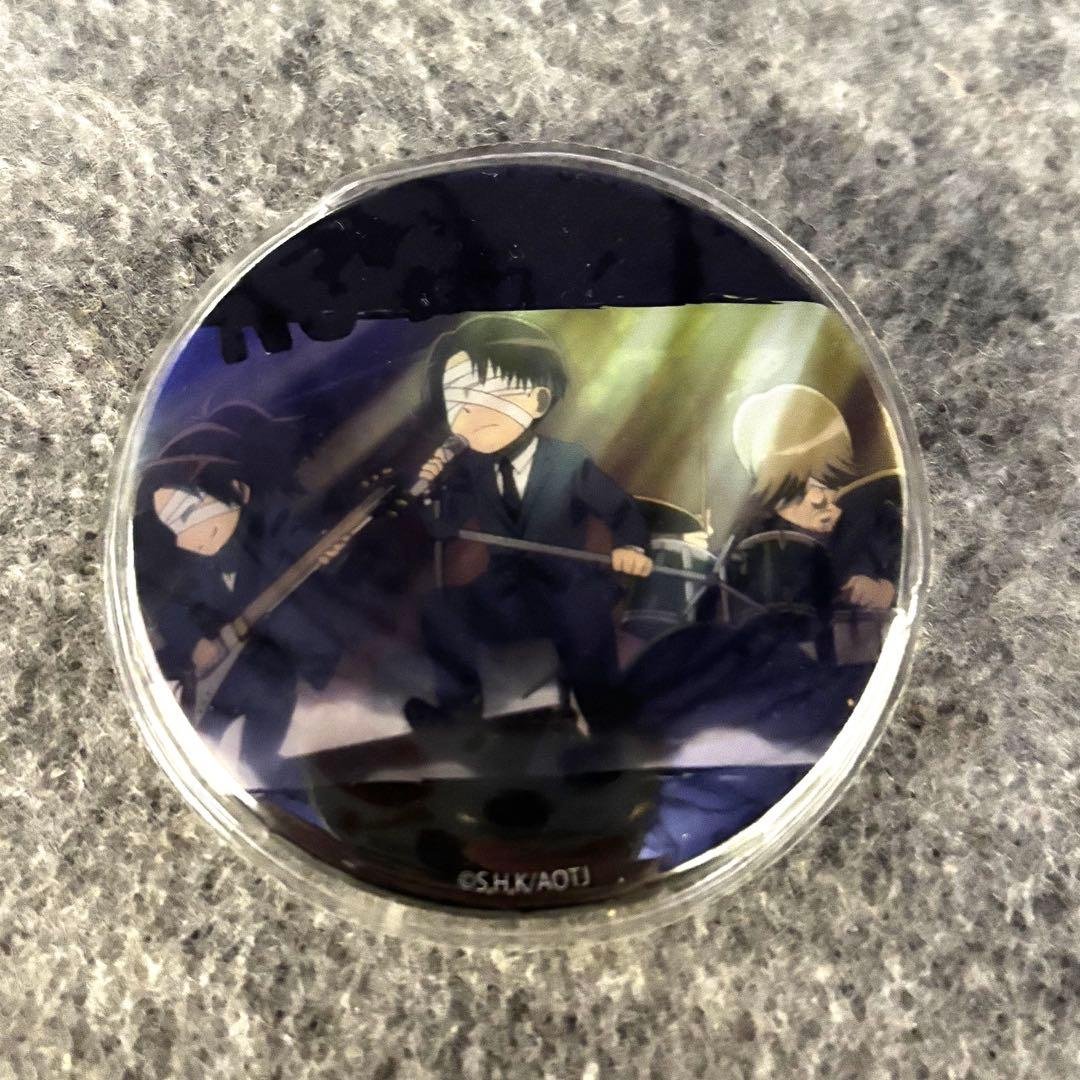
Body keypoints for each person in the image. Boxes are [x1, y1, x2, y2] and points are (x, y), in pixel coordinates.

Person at [405, 314, 653, 728]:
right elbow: (443, 527)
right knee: (440, 610)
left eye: (484, 393)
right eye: (457, 398)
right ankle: (458, 714)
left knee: (584, 623)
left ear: (537, 401)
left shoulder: (568, 462)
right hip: (506, 592)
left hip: (567, 587)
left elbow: (622, 511)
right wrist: (431, 490)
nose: (467, 411)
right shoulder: (471, 470)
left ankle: (607, 723)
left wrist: (631, 547)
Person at [134, 403, 341, 788]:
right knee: (197, 732)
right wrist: (194, 643)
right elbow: (171, 610)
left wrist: (327, 552)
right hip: (209, 672)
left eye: (189, 516)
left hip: (265, 660)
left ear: (240, 491)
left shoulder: (268, 532)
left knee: (273, 697)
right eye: (173, 526)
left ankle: (260, 769)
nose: (184, 538)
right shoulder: (185, 567)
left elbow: (298, 544)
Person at [730, 383, 900, 617]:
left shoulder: (878, 519)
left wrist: (885, 590)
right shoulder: (762, 546)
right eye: (798, 492)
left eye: (826, 483)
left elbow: (911, 569)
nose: (818, 498)